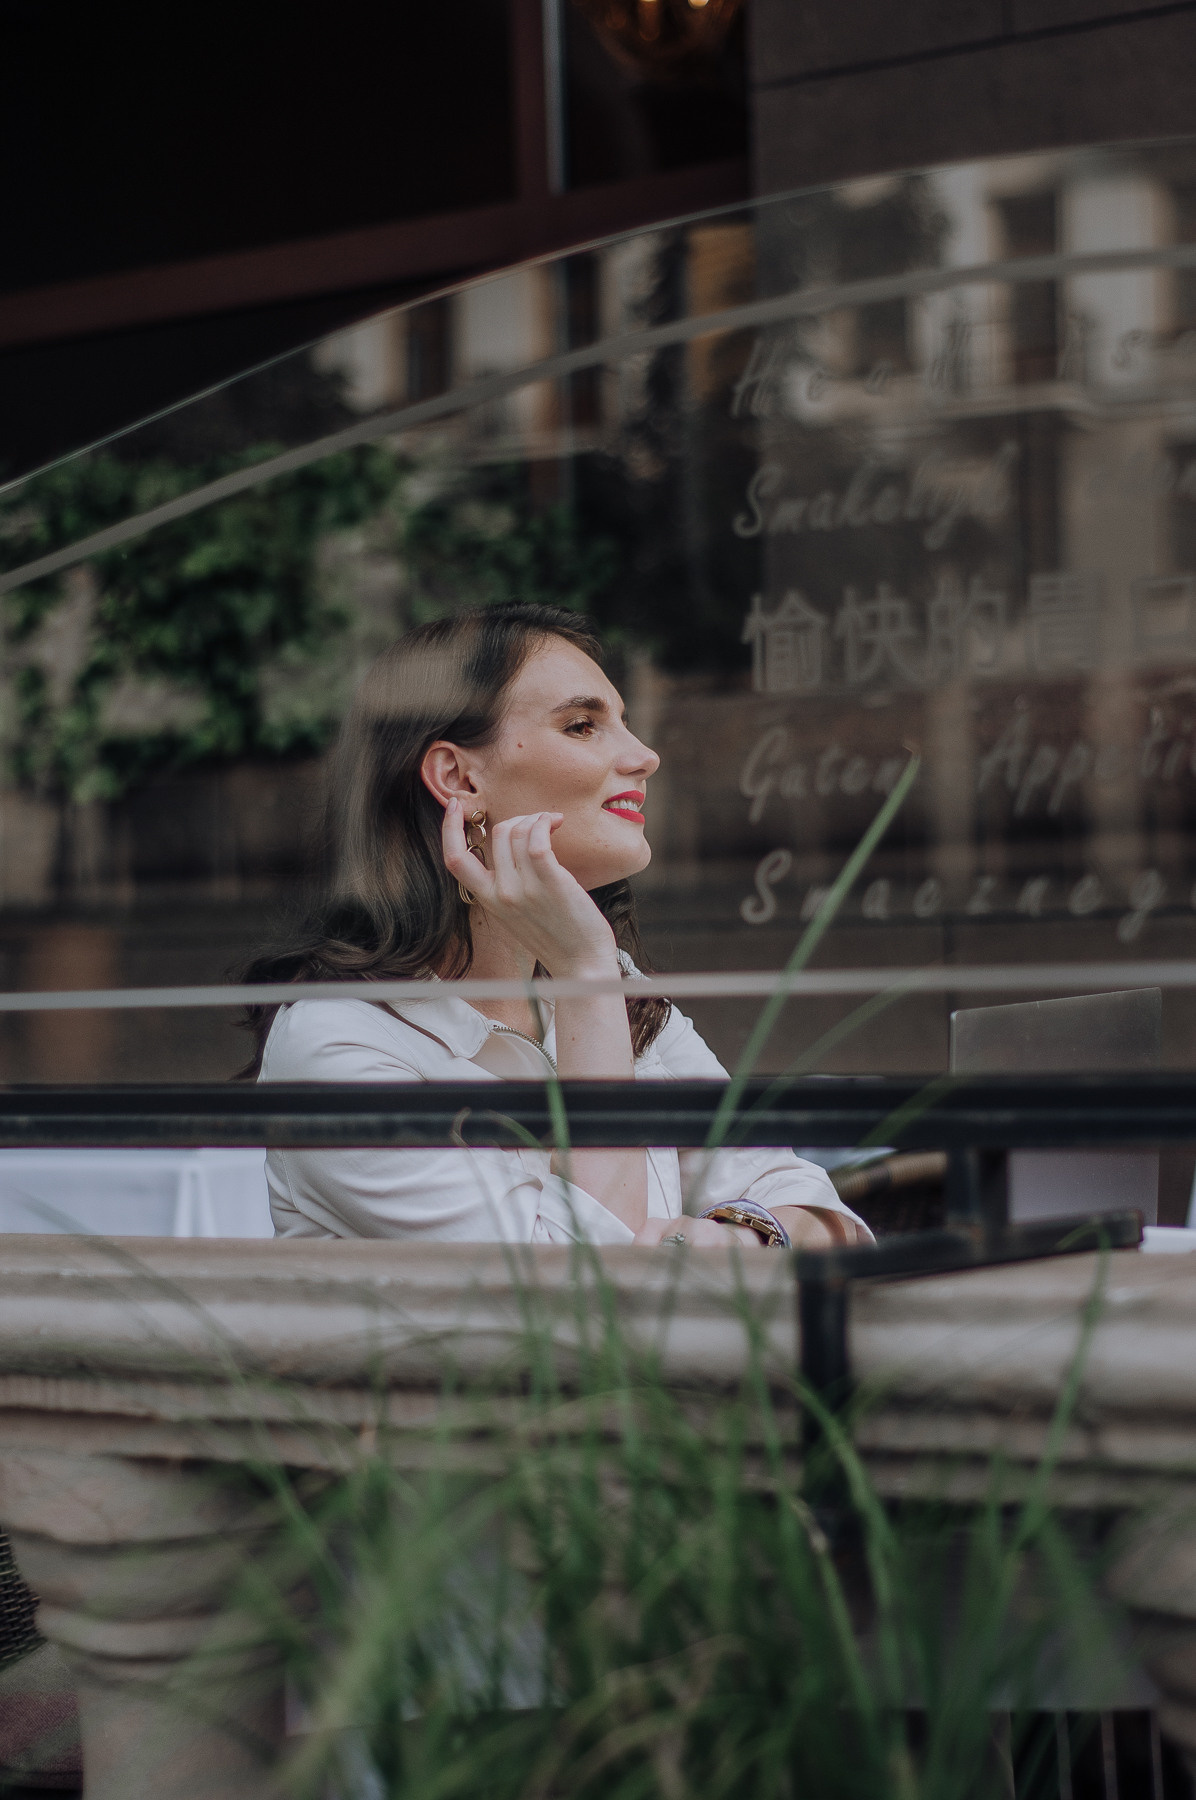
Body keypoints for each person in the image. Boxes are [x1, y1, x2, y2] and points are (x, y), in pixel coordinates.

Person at [243, 603, 869, 1250]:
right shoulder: (340, 1040)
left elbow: (833, 1223)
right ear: (458, 778)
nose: (645, 756)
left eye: (622, 723)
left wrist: (716, 1242)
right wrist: (585, 977)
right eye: (582, 726)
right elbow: (584, 1306)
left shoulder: (611, 987)